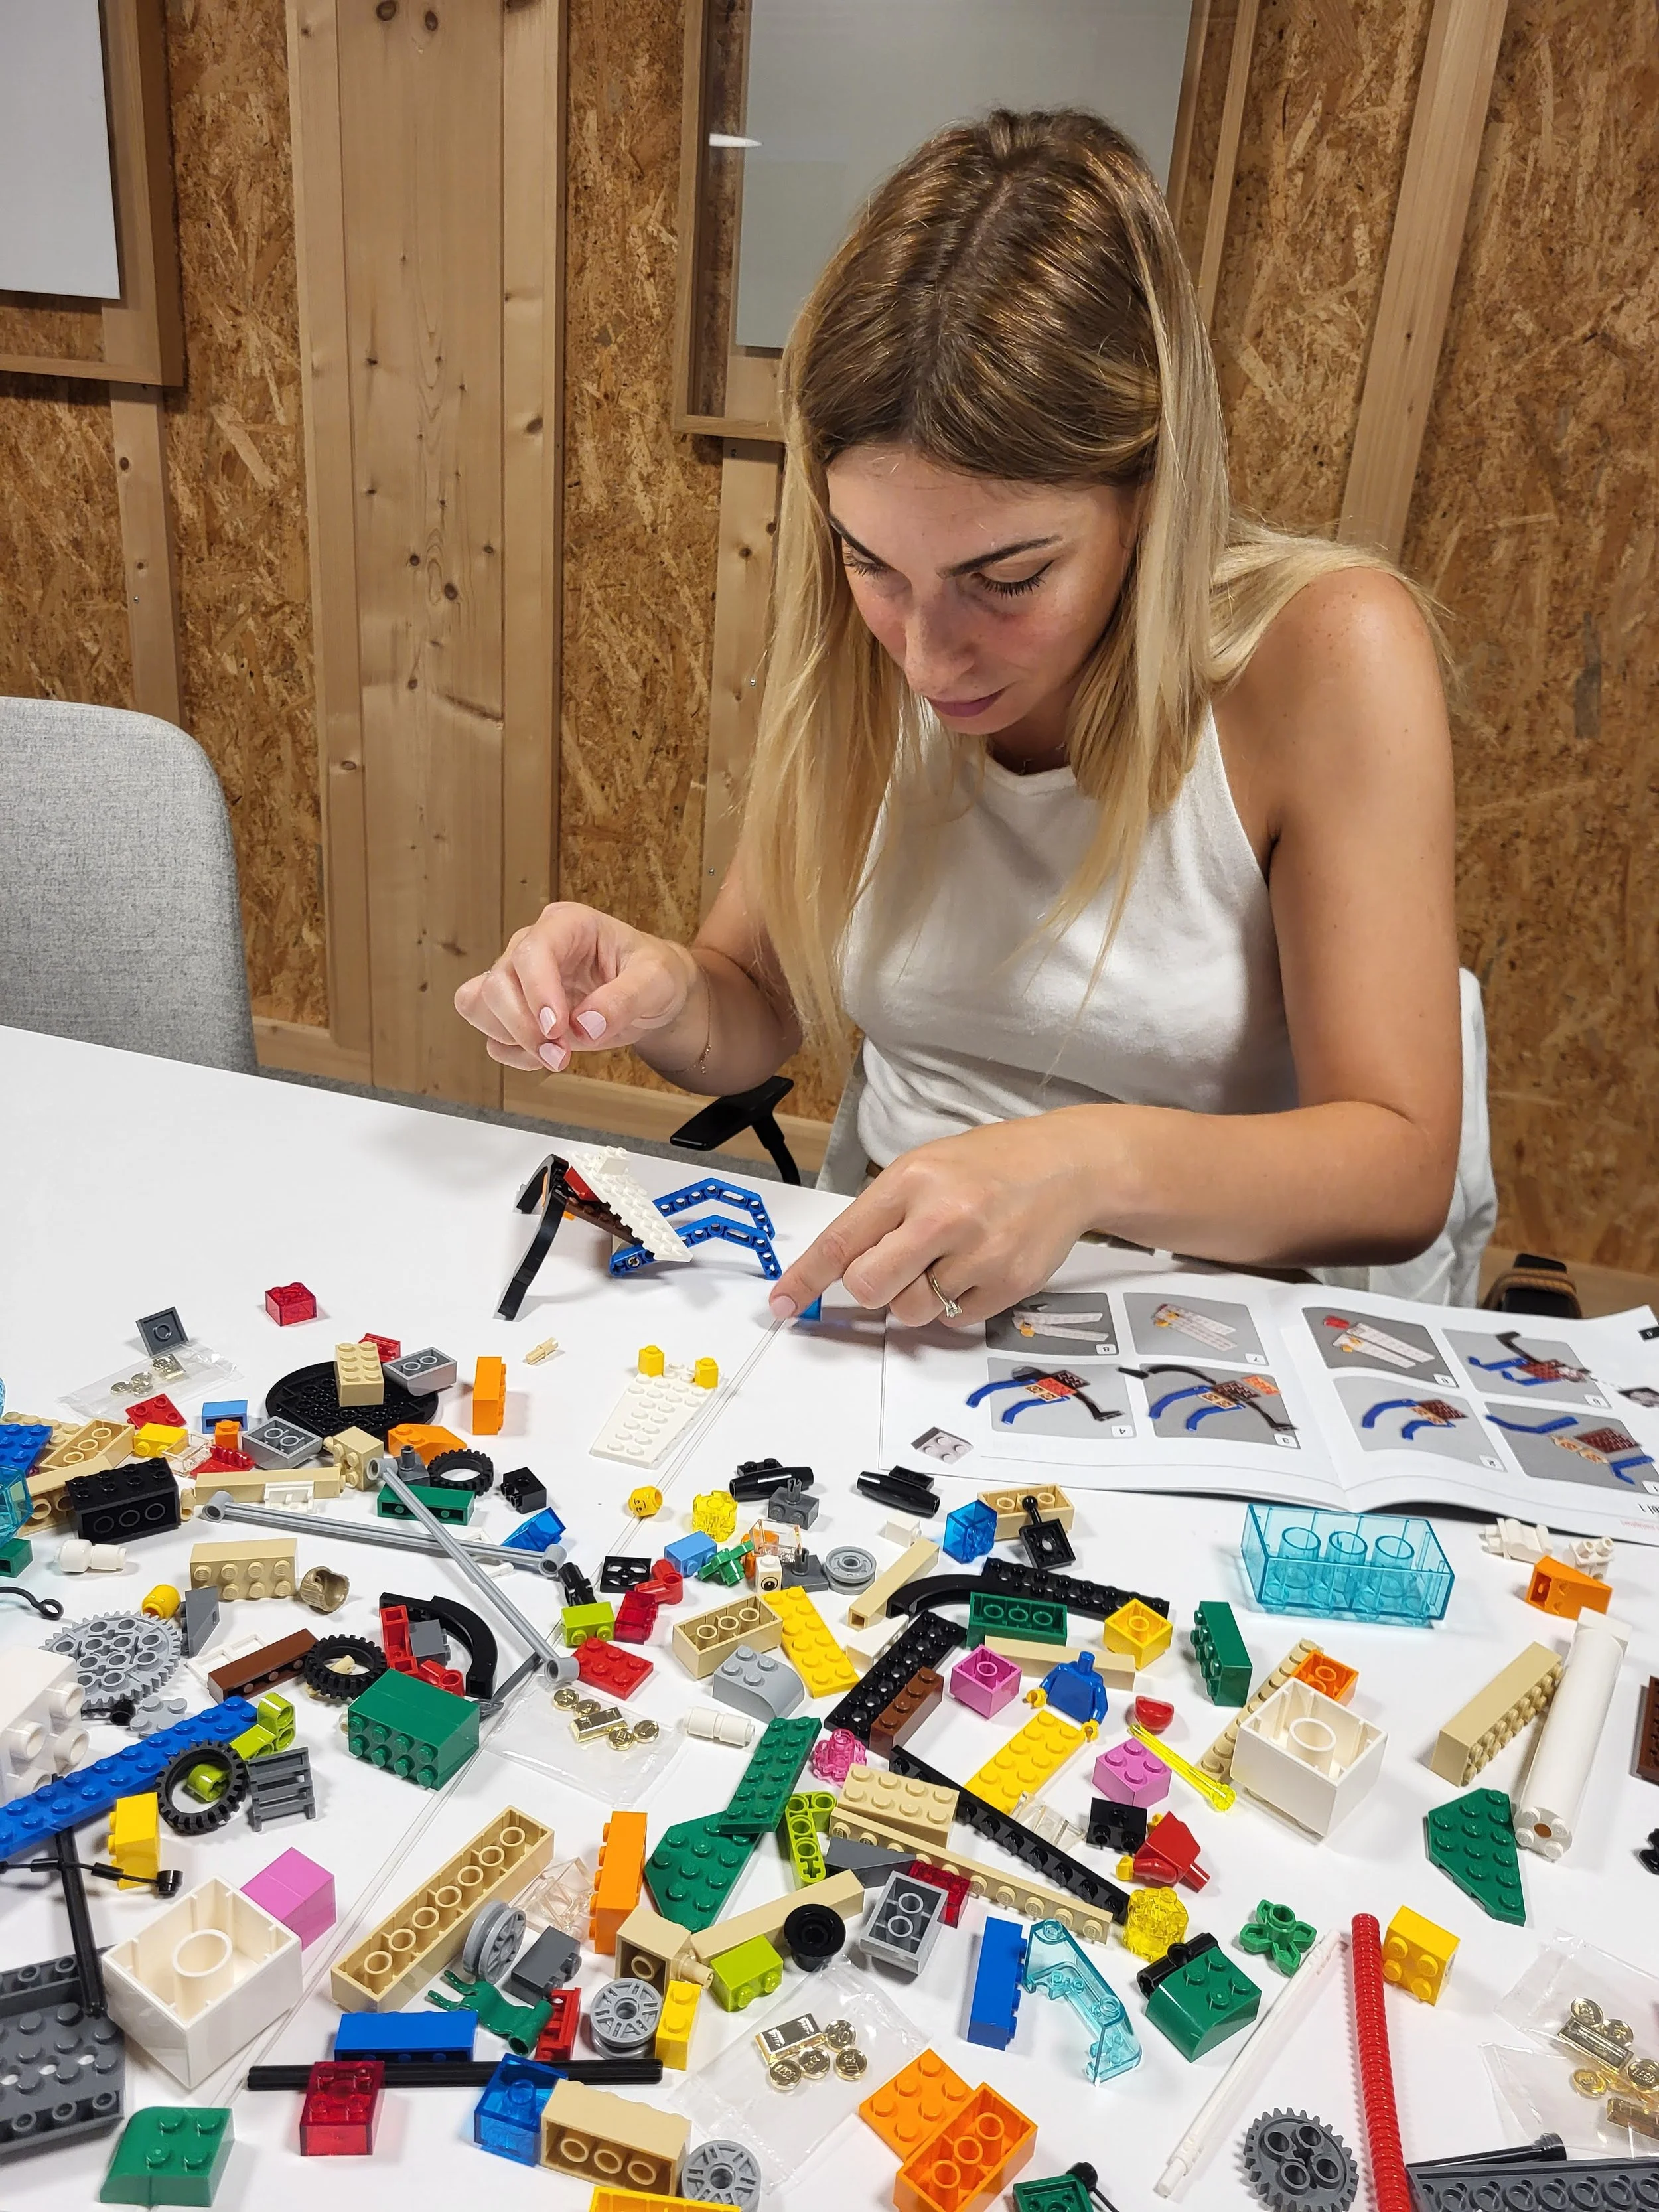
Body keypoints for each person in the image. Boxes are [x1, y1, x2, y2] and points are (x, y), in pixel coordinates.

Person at [457, 108, 1496, 1330]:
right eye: (872, 565)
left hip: (1205, 1328)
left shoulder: (1325, 652)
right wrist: (667, 992)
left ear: (1150, 503)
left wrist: (1081, 1162)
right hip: (894, 1311)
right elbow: (755, 1004)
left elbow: (1397, 1166)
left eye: (1008, 581)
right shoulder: (871, 647)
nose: (927, 656)